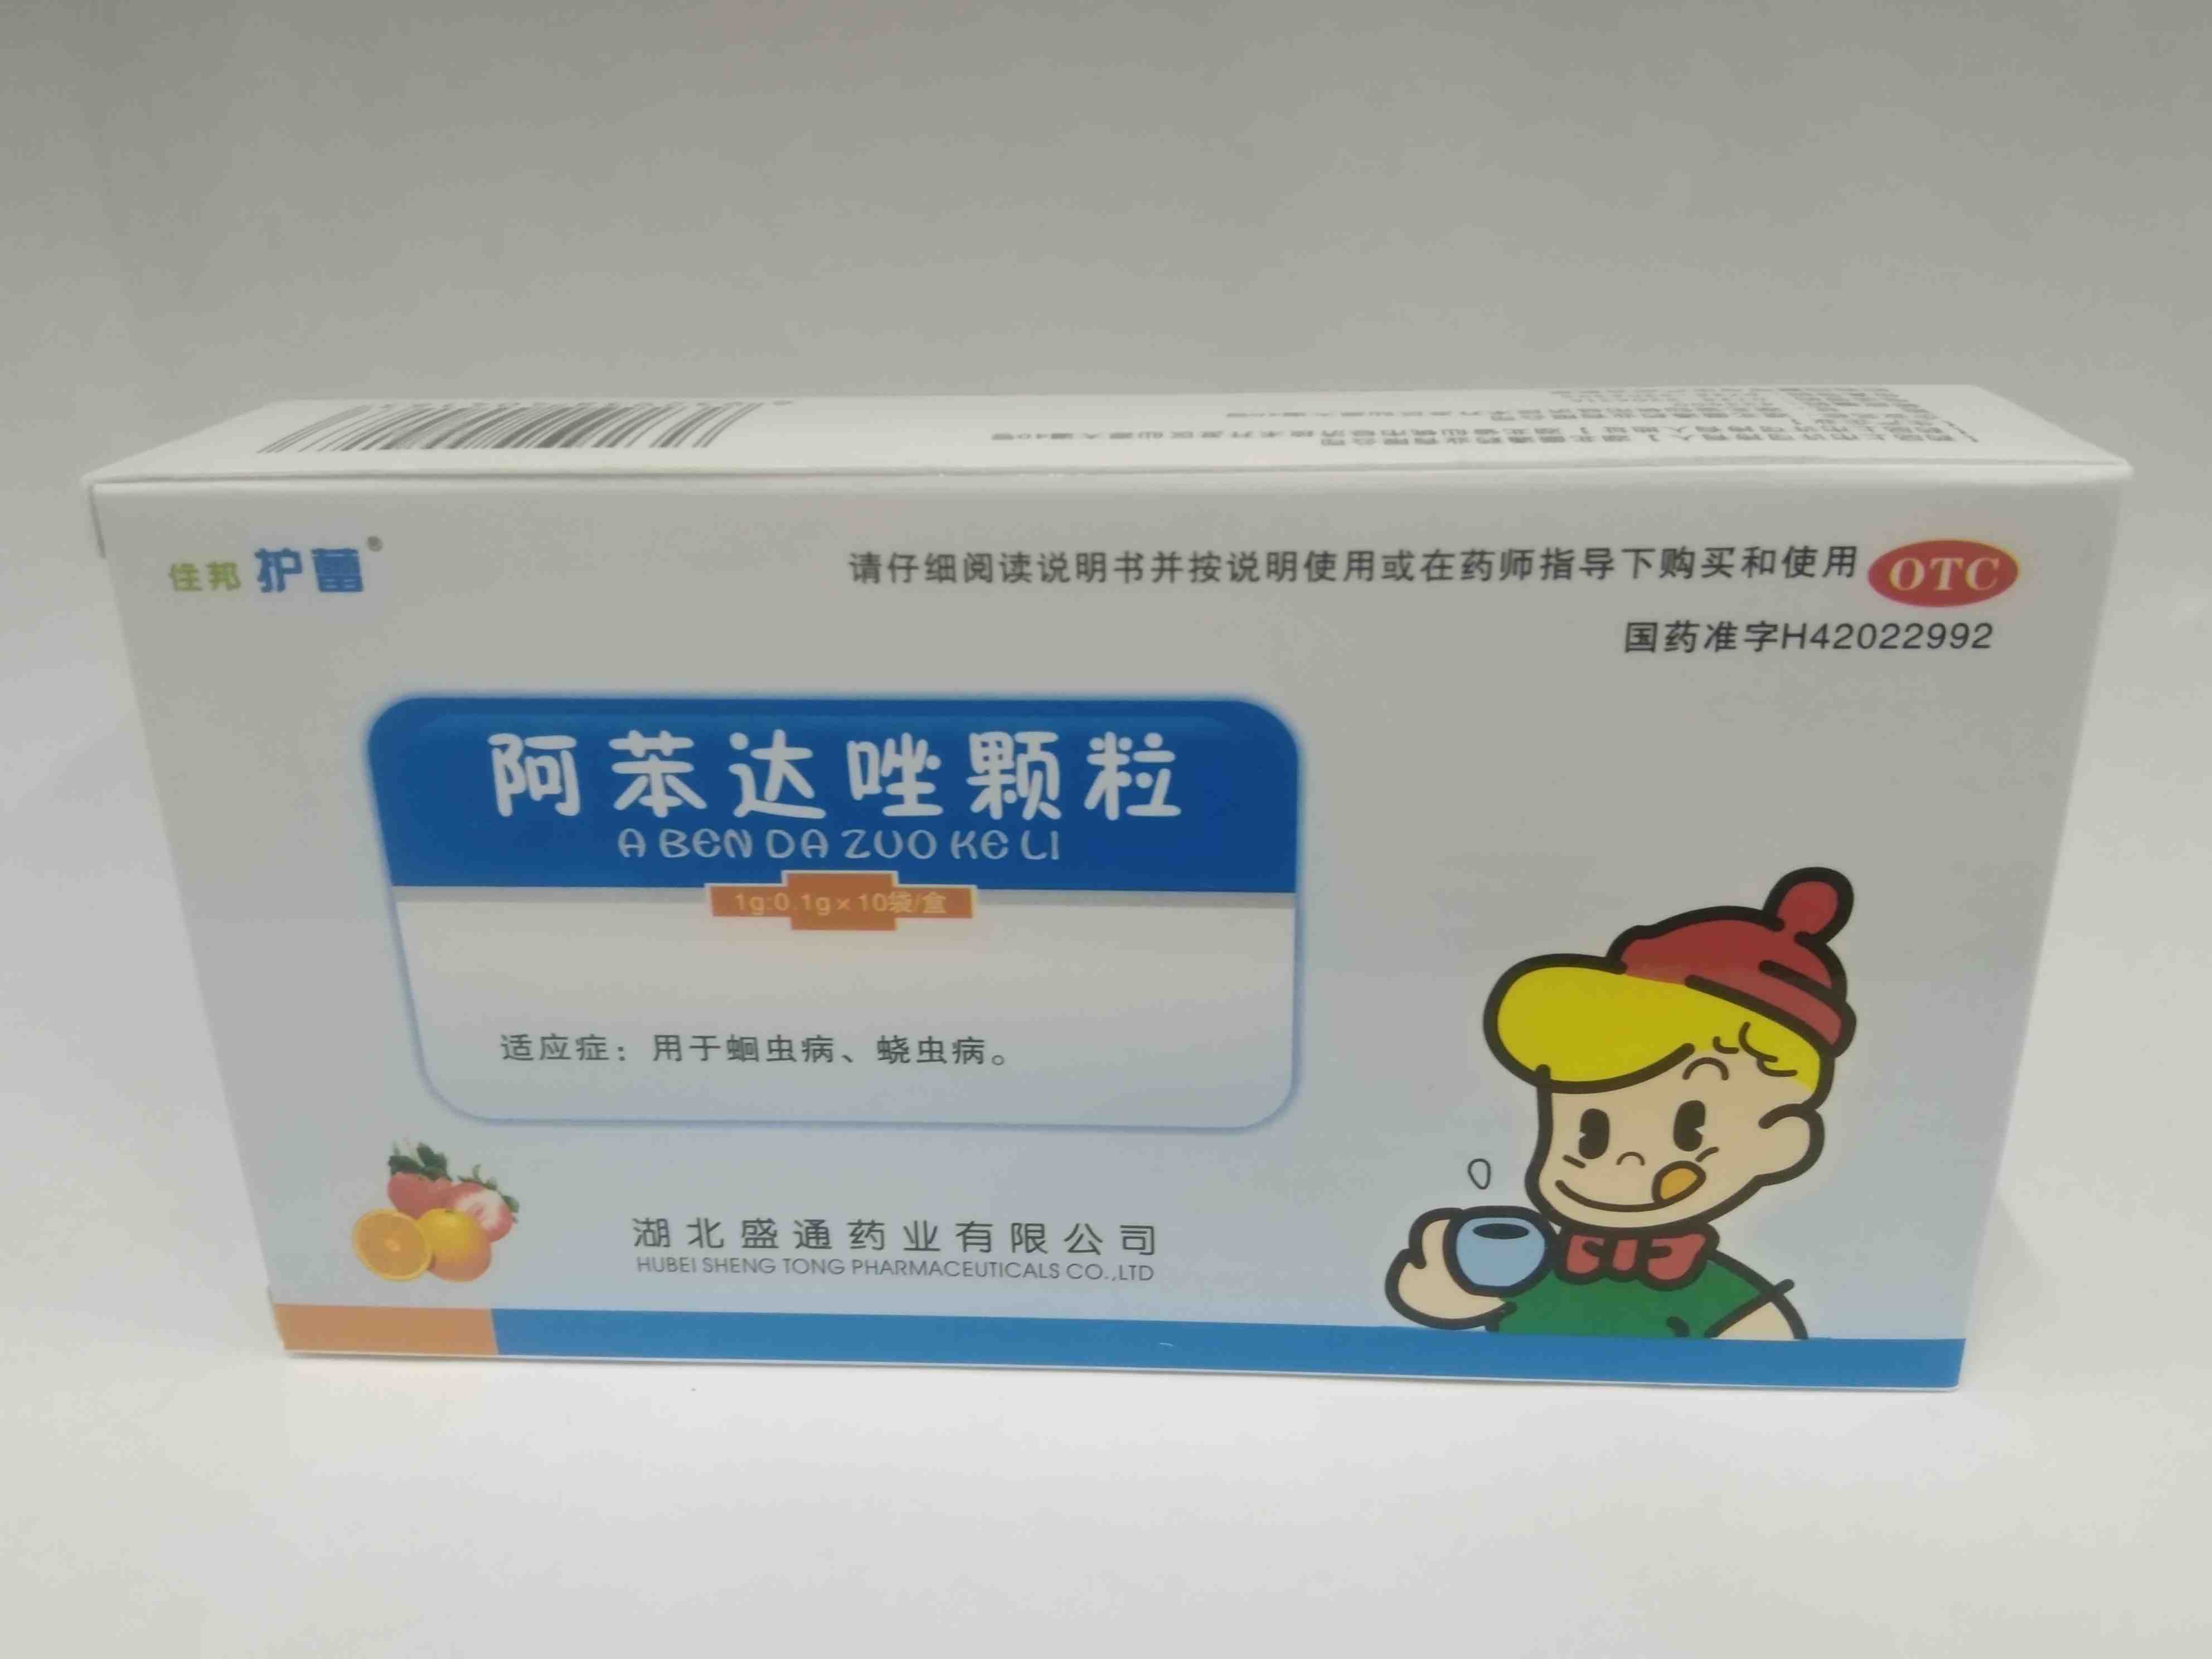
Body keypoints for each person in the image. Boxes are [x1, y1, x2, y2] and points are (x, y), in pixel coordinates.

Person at [1386, 869, 1855, 1339]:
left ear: (1780, 1143)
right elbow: (1444, 1309)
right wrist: (1447, 1286)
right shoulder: (1535, 1270)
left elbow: (1767, 1353)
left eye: (1689, 1131)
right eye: (1590, 1133)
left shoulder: (1722, 1297)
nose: (1628, 1159)